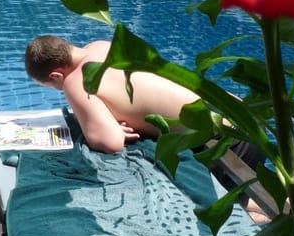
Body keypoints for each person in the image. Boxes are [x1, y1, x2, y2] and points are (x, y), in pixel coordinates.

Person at [25, 35, 199, 153]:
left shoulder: (75, 81)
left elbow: (112, 143)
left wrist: (111, 129)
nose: (60, 90)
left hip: (205, 130)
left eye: (54, 86)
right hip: (219, 101)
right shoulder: (101, 45)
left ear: (56, 75)